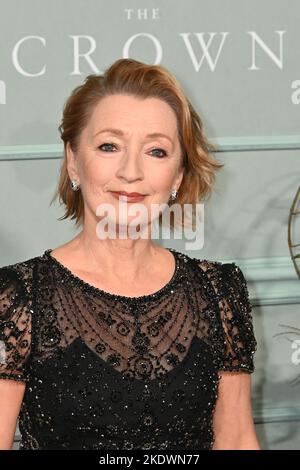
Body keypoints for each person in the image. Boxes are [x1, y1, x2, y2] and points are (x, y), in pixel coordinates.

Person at [0, 58, 260, 450]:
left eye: (156, 151)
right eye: (109, 146)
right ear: (73, 160)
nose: (131, 171)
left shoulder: (218, 290)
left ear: (177, 175)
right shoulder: (17, 296)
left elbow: (237, 439)